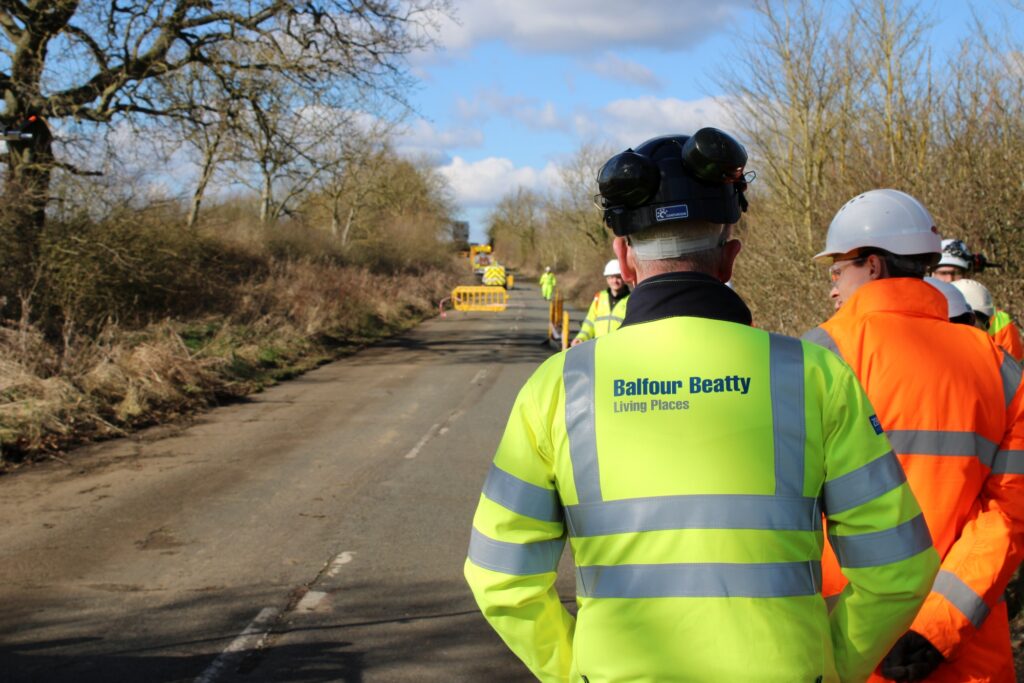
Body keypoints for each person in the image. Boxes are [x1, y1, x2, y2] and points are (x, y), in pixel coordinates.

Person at [465, 129, 938, 682]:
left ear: (625, 258)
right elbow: (899, 570)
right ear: (730, 258)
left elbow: (500, 577)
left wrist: (576, 671)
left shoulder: (558, 388)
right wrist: (830, 667)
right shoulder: (815, 376)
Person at [804, 189, 1024, 682]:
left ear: (872, 265)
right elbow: (1010, 515)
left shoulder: (819, 356)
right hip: (967, 652)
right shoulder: (1000, 368)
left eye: (837, 271)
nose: (833, 287)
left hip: (853, 648)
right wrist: (938, 626)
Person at [931, 239, 1022, 360]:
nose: (949, 279)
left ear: (968, 274)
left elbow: (1011, 368)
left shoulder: (998, 322)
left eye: (957, 272)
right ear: (931, 274)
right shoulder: (920, 313)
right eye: (943, 273)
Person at [571, 259, 630, 345]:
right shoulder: (599, 298)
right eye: (611, 277)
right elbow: (589, 322)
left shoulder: (631, 300)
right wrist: (581, 338)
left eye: (618, 277)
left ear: (624, 278)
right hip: (598, 348)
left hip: (619, 349)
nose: (614, 281)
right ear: (607, 279)